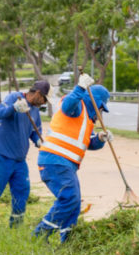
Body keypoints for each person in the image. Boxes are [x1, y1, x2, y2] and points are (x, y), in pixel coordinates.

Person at [33, 73, 111, 243]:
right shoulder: (77, 107)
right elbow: (68, 105)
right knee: (69, 198)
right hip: (54, 161)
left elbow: (88, 143)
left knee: (74, 204)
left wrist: (100, 139)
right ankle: (39, 235)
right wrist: (80, 87)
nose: (101, 112)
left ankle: (68, 241)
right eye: (101, 107)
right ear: (94, 101)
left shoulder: (88, 120)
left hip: (65, 164)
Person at [0, 80, 50, 228]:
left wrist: (39, 141)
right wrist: (14, 108)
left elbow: (35, 132)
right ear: (37, 93)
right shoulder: (14, 98)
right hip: (1, 154)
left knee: (22, 190)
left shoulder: (35, 111)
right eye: (44, 99)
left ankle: (16, 226)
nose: (43, 103)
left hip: (19, 159)